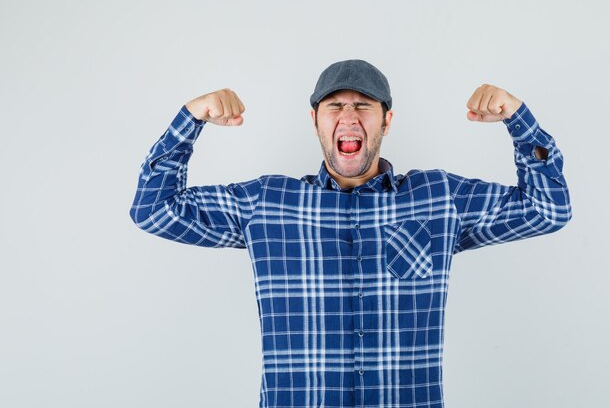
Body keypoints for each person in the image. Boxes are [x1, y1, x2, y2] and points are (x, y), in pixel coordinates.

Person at [129, 59, 572, 408]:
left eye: (363, 106)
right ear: (315, 120)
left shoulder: (439, 198)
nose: (348, 116)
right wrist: (190, 119)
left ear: (386, 120)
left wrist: (518, 119)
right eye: (335, 106)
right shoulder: (268, 203)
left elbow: (548, 209)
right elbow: (153, 210)